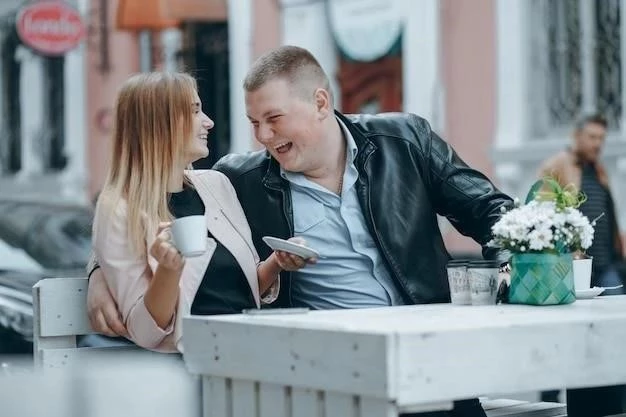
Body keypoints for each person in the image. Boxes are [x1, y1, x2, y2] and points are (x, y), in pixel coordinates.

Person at [88, 46, 514, 416]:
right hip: (329, 370)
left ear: (321, 102)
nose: (263, 136)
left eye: (273, 118)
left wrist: (511, 267)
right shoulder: (242, 179)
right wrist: (98, 272)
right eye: (254, 122)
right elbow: (148, 210)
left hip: (428, 350)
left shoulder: (404, 141)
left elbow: (491, 211)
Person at [90, 71, 309, 352]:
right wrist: (169, 270)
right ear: (159, 123)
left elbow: (242, 286)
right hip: (192, 359)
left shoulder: (217, 185)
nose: (209, 121)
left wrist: (277, 261)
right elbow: (144, 332)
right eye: (195, 111)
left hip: (248, 346)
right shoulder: (119, 209)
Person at [537, 113, 625, 417]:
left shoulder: (598, 170)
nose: (598, 144)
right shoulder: (557, 165)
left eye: (602, 138)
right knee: (567, 332)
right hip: (573, 266)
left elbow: (609, 214)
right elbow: (543, 212)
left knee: (613, 328)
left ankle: (609, 390)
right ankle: (550, 395)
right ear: (576, 136)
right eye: (592, 137)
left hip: (606, 264)